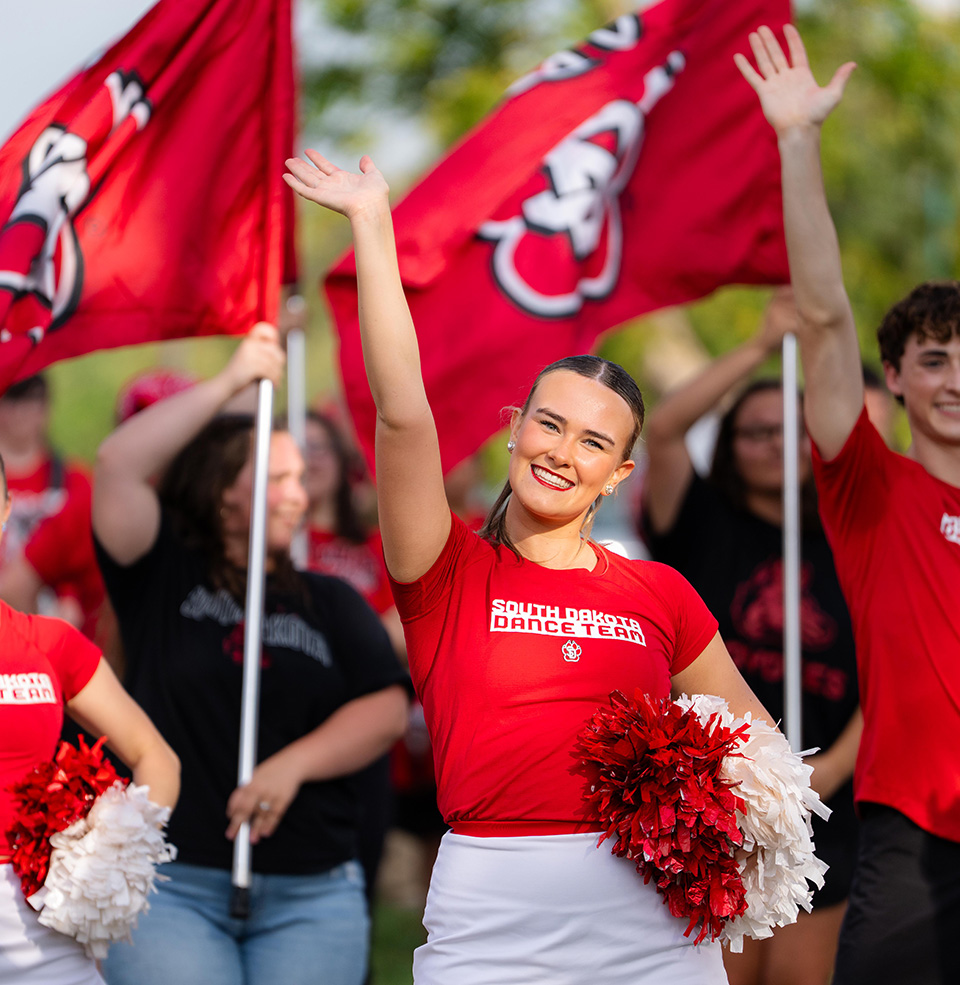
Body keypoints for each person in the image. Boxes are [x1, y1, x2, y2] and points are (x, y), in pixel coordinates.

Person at [284, 152, 782, 985]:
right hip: (493, 915)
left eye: (594, 442)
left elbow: (756, 742)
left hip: (655, 926)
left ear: (620, 474)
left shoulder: (659, 591)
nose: (563, 453)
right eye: (549, 425)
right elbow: (403, 413)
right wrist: (374, 226)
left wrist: (705, 804)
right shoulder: (445, 571)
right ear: (514, 429)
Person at [737, 25, 960, 985]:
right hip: (910, 833)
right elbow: (825, 315)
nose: (956, 379)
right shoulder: (872, 485)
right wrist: (799, 143)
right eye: (936, 360)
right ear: (900, 378)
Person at [91, 324, 409, 985]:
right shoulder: (161, 572)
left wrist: (292, 765)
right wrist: (233, 379)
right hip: (168, 882)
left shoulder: (329, 599)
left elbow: (383, 706)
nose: (299, 492)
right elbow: (119, 463)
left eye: (300, 477)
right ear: (221, 489)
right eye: (277, 476)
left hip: (312, 891)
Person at [639, 288, 861, 985]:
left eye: (791, 430)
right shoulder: (701, 520)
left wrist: (828, 770)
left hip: (824, 803)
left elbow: (893, 671)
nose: (774, 444)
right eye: (755, 431)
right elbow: (666, 429)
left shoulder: (853, 536)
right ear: (732, 445)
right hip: (709, 808)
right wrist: (762, 345)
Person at [0, 452, 180, 985]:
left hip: (37, 928)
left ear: (6, 508)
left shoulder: (48, 642)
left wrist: (109, 860)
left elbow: (156, 757)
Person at [0, 375, 105, 639]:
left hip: (61, 626)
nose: (22, 411)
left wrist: (70, 599)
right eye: (12, 399)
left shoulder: (77, 482)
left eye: (33, 400)